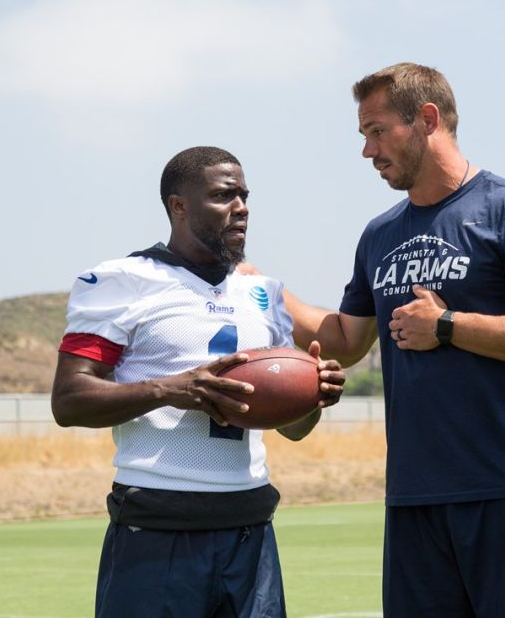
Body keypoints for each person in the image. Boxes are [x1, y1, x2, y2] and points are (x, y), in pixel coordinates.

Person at [273, 62, 505, 616]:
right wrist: (266, 291)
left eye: (377, 131)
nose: (368, 151)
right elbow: (347, 339)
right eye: (364, 135)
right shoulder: (379, 234)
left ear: (427, 119)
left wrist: (448, 326)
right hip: (415, 501)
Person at [50, 146, 346, 618]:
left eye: (245, 196)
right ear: (179, 205)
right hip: (158, 527)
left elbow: (291, 429)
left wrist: (312, 397)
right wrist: (172, 389)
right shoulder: (121, 280)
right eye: (224, 195)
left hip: (250, 527)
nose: (241, 207)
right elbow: (68, 401)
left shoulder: (263, 293)